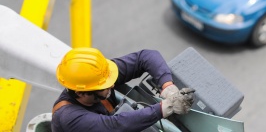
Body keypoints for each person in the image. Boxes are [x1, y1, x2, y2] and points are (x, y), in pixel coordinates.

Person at [51, 47, 195, 132]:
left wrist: (168, 88)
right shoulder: (69, 117)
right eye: (105, 86)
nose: (112, 85)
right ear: (81, 93)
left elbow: (146, 57)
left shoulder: (99, 77)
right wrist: (166, 106)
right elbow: (115, 126)